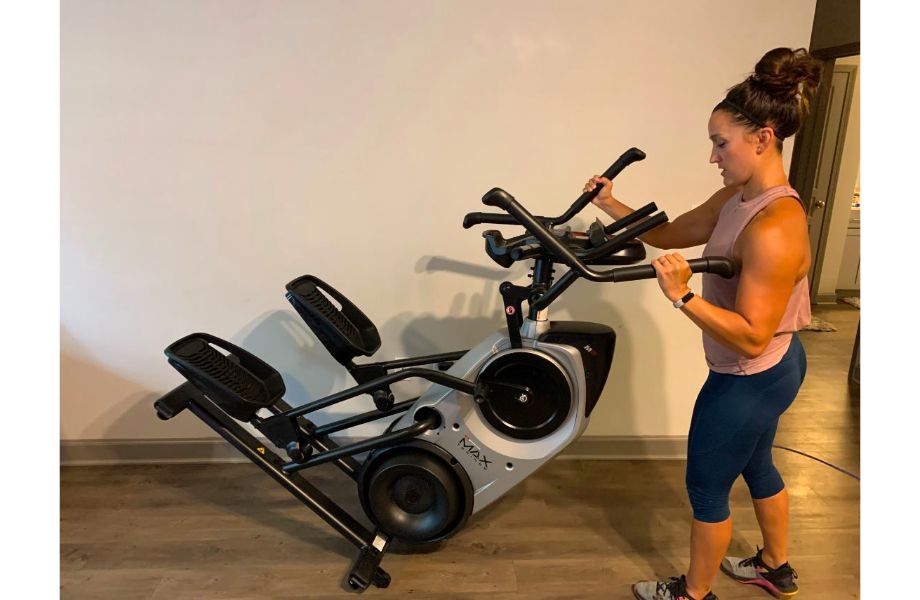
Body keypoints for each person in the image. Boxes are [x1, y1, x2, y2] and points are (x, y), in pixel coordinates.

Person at [584, 47, 823, 600]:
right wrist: (611, 205)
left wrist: (682, 295)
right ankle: (776, 567)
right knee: (758, 463)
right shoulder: (738, 196)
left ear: (762, 138)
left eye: (721, 143)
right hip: (771, 366)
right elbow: (672, 234)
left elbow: (752, 332)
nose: (713, 156)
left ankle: (694, 594)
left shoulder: (776, 225)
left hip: (752, 371)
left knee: (706, 488)